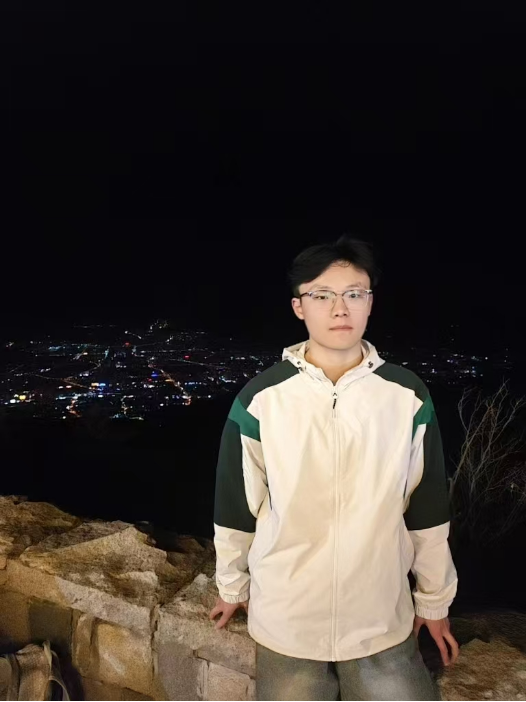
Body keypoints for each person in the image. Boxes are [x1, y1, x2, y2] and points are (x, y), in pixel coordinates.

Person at [210, 236, 459, 701]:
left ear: (370, 303)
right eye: (322, 295)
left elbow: (426, 508)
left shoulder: (405, 395)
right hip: (287, 612)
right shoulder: (263, 398)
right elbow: (236, 505)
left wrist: (434, 601)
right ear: (299, 306)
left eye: (354, 293)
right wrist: (231, 585)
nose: (340, 308)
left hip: (379, 612)